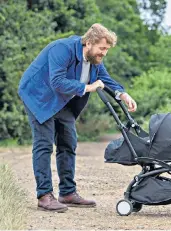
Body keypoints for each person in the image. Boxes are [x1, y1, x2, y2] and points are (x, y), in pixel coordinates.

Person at [18, 23, 137, 213]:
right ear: (89, 42)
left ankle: (67, 192)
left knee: (68, 142)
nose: (104, 53)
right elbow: (57, 81)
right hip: (38, 95)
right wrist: (88, 87)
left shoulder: (94, 59)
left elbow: (104, 79)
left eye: (107, 49)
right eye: (102, 48)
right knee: (44, 144)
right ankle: (44, 195)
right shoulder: (62, 49)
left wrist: (122, 94)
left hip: (62, 100)